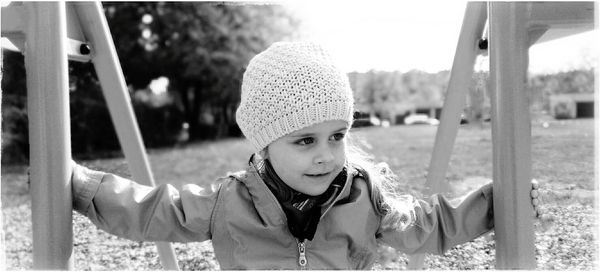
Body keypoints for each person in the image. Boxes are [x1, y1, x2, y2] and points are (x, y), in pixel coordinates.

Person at [71, 41, 541, 269]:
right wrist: (81, 187)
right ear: (265, 144)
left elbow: (428, 226)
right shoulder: (227, 204)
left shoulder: (364, 198)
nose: (327, 155)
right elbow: (154, 211)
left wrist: (497, 204)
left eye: (337, 135)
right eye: (305, 141)